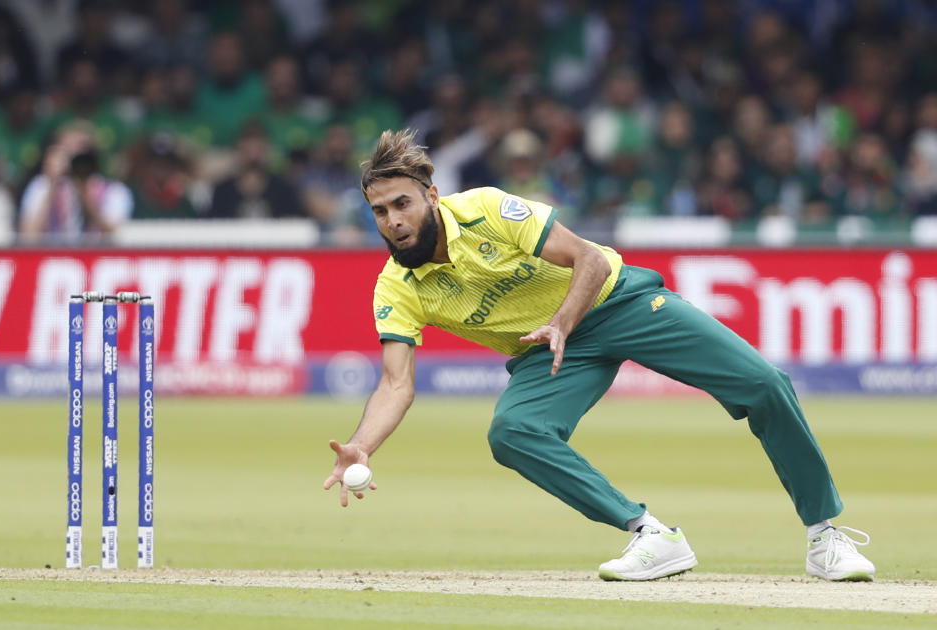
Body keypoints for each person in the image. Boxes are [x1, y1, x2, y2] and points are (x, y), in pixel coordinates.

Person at [323, 129, 876, 583]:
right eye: (379, 211)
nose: (393, 220)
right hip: (548, 349)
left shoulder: (488, 209)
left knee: (765, 383)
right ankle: (651, 536)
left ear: (432, 198)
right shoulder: (395, 287)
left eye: (402, 204)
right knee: (512, 432)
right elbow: (396, 384)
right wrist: (362, 446)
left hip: (618, 301)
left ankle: (825, 536)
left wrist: (563, 321)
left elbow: (585, 259)